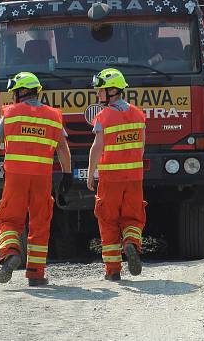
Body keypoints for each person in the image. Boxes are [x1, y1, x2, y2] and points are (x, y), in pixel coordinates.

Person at [0, 72, 72, 286]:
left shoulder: (11, 114)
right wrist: (67, 173)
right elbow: (62, 147)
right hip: (42, 178)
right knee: (40, 223)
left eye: (13, 92)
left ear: (20, 92)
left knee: (9, 219)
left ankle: (11, 252)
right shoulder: (53, 116)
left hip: (15, 178)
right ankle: (36, 274)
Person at [87, 68, 147, 281]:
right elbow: (141, 148)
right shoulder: (139, 114)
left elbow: (97, 147)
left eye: (101, 90)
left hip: (110, 178)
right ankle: (131, 242)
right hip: (134, 177)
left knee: (108, 220)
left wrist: (91, 172)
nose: (98, 94)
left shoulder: (103, 116)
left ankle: (113, 270)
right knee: (133, 217)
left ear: (113, 90)